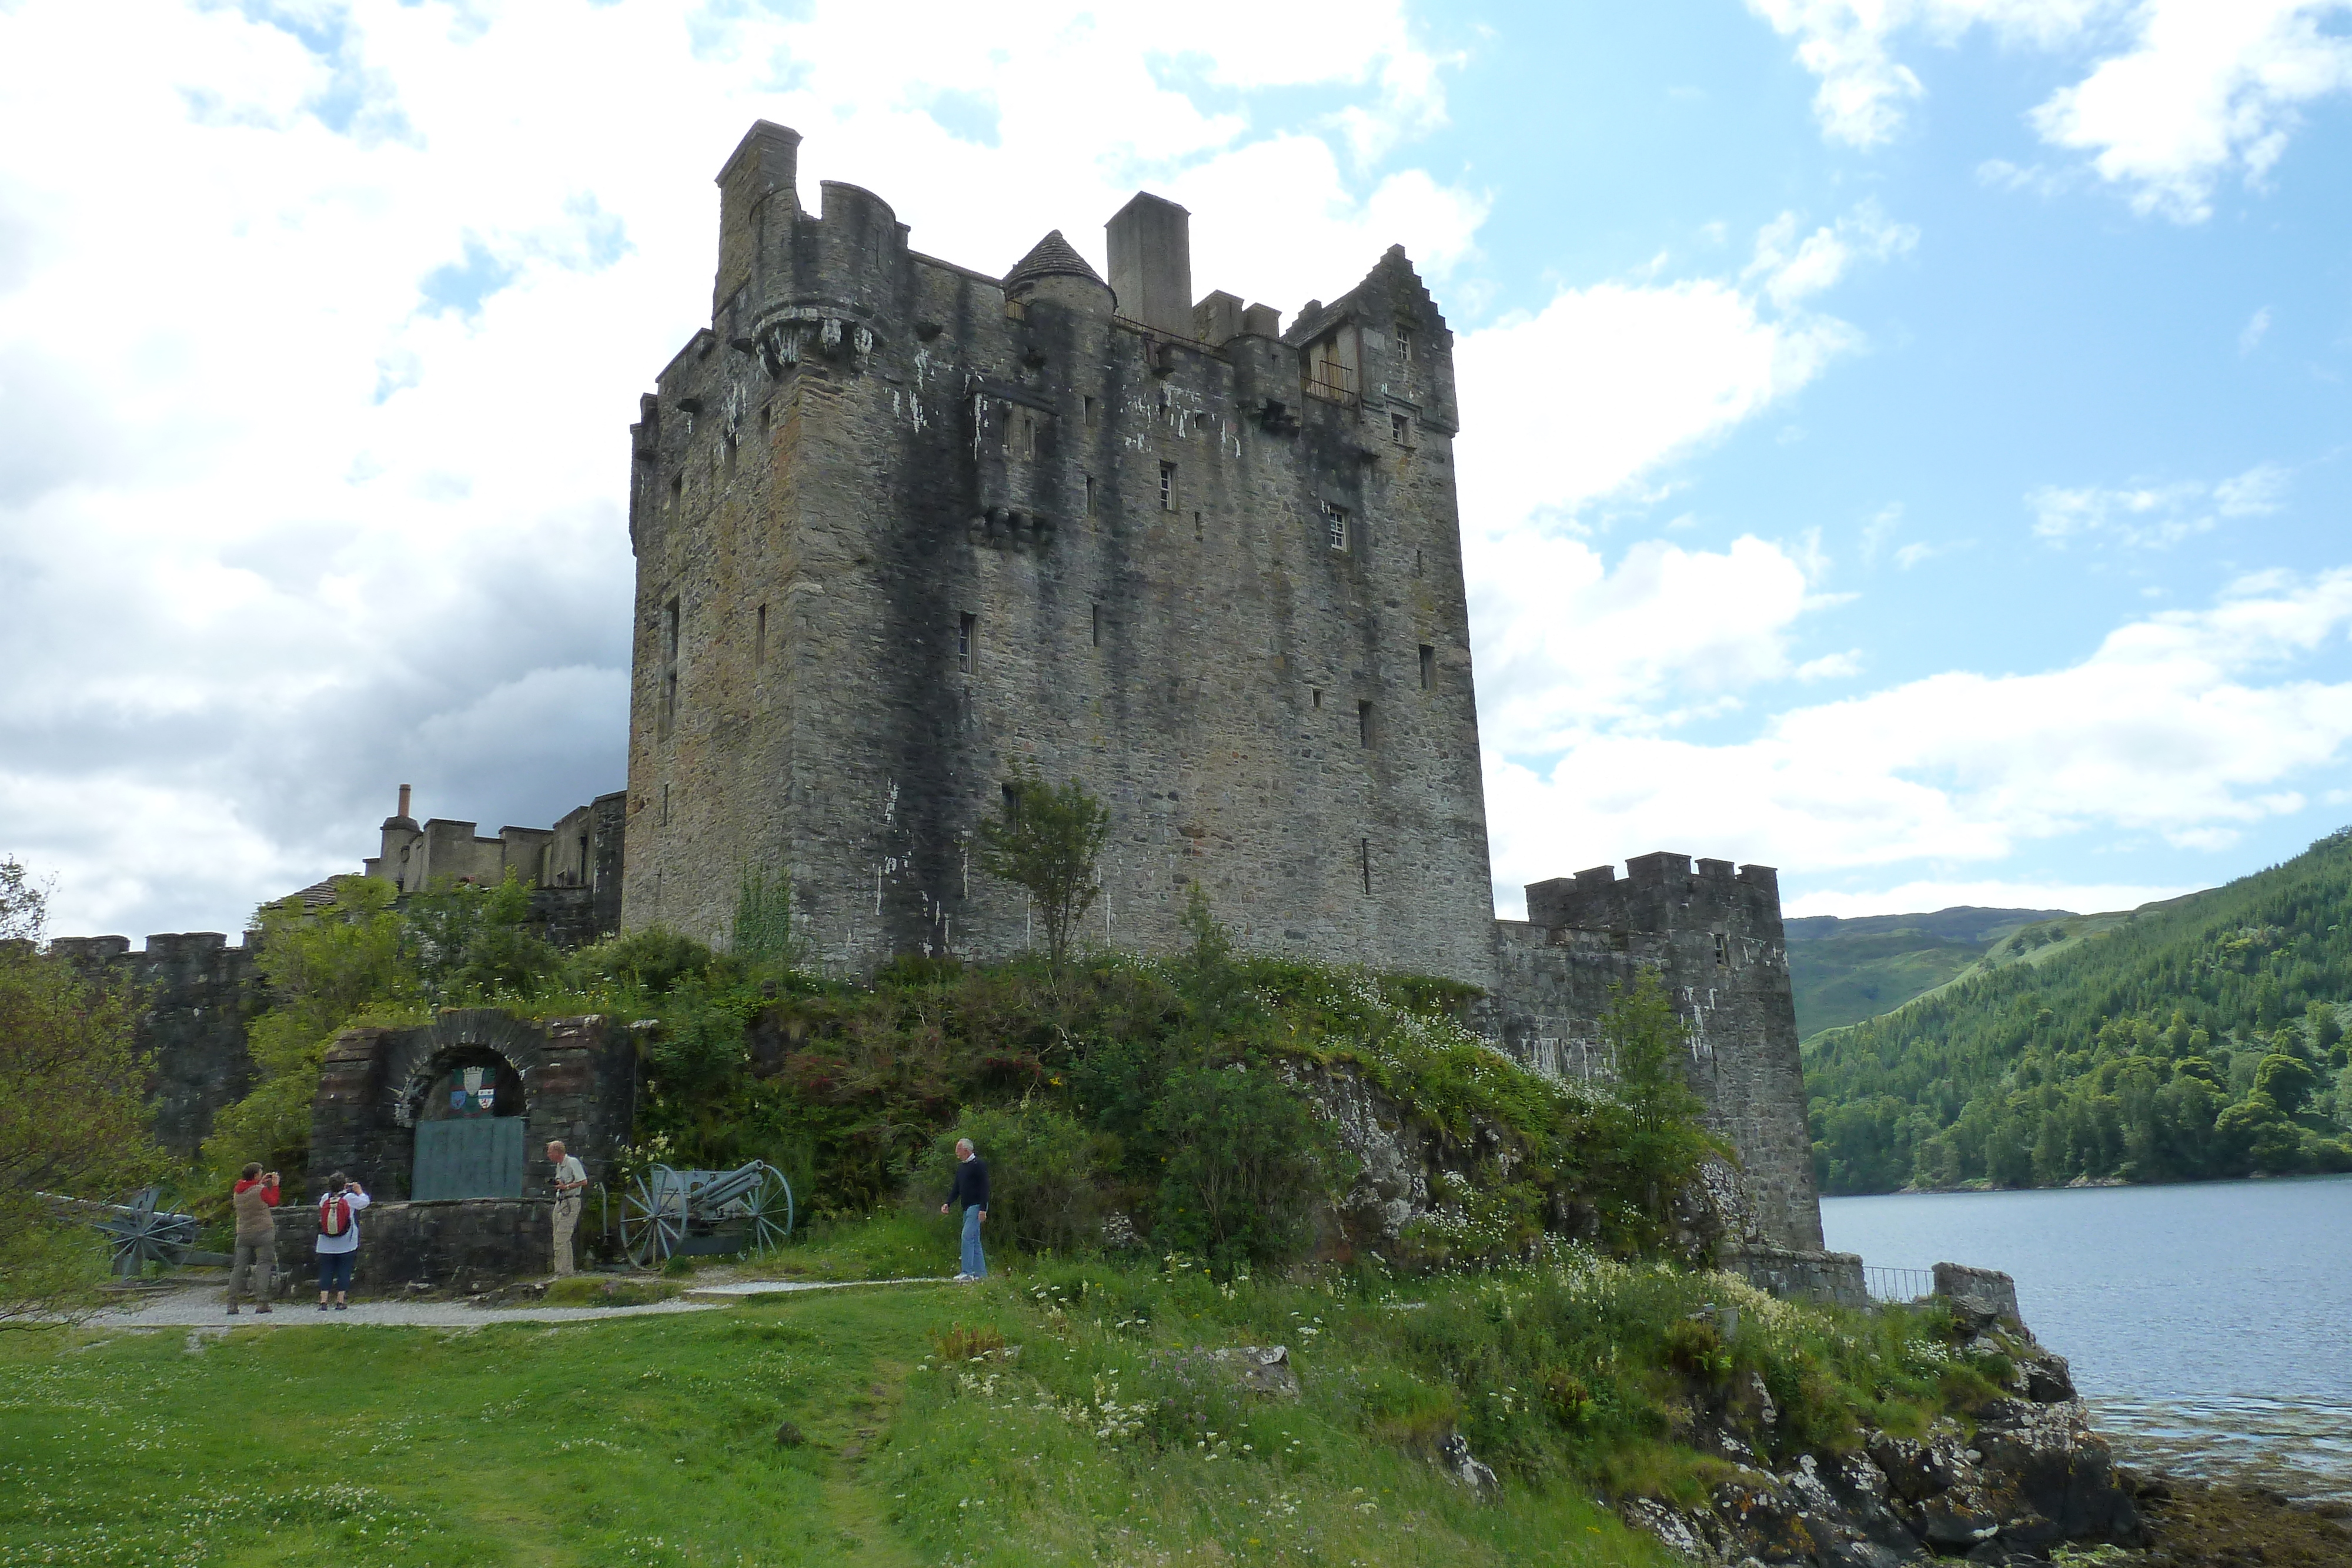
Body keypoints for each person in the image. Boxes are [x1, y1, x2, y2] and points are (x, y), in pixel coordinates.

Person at [225, 1162, 278, 1316]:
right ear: (256, 1175)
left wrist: (261, 1183)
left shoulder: (238, 1192)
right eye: (260, 1173)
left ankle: (232, 1303)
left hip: (243, 1233)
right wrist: (274, 1185)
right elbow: (273, 1201)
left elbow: (251, 1191)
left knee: (239, 1268)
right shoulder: (261, 1190)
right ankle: (262, 1302)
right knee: (263, 1265)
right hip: (263, 1232)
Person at [315, 1172, 370, 1311]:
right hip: (346, 1241)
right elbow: (365, 1203)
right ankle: (340, 1301)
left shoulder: (325, 1198)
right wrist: (359, 1191)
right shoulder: (350, 1198)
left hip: (326, 1242)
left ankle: (323, 1301)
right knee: (344, 1270)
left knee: (326, 1271)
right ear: (345, 1184)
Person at [938, 1138, 989, 1281]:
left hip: (977, 1206)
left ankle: (967, 1272)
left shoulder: (979, 1165)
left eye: (958, 1150)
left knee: (966, 1236)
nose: (957, 1153)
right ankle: (981, 1274)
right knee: (974, 1239)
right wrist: (948, 1203)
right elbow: (957, 1188)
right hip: (967, 1207)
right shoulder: (962, 1168)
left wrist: (983, 1209)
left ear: (966, 1151)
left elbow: (985, 1187)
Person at [547, 1139, 587, 1277]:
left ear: (557, 1152)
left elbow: (583, 1181)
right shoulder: (559, 1166)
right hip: (561, 1202)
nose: (548, 1155)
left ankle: (561, 1272)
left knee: (562, 1237)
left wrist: (567, 1187)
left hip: (571, 1202)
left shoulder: (572, 1162)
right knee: (558, 1236)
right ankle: (567, 1271)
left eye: (550, 1152)